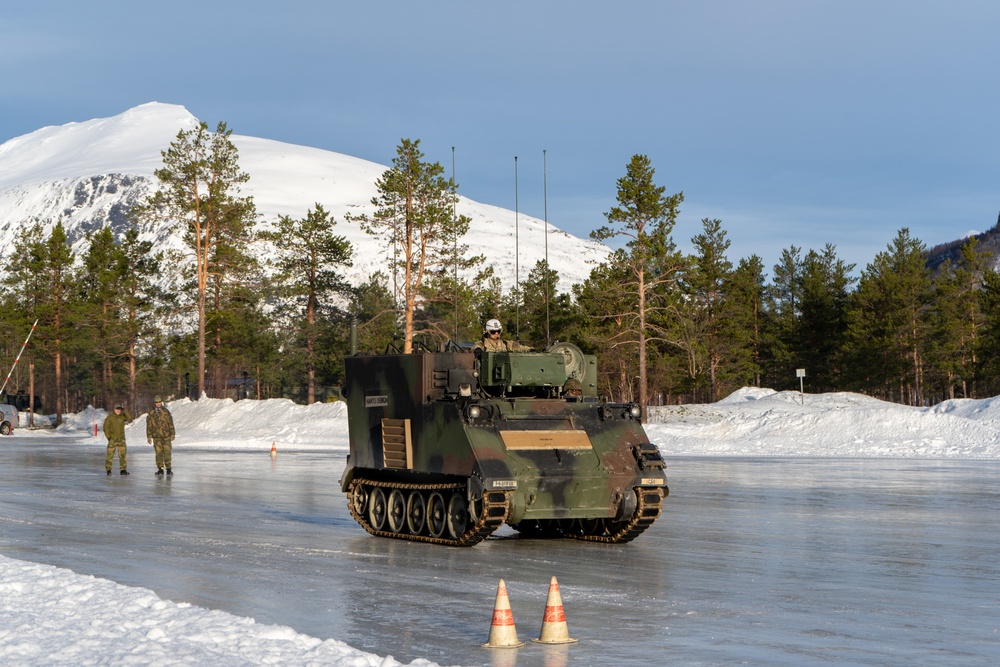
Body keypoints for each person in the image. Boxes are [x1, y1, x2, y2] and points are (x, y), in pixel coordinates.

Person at [146, 396, 176, 476]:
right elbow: (149, 426)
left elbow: (170, 424)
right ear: (154, 403)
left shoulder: (166, 412)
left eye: (159, 402)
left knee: (167, 452)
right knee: (158, 453)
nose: (158, 404)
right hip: (156, 436)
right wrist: (149, 436)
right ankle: (160, 469)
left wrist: (172, 434)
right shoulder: (151, 413)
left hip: (166, 436)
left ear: (161, 402)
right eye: (156, 402)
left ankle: (168, 469)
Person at [104, 404, 133, 475]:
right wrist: (109, 437)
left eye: (119, 409)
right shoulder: (110, 417)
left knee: (122, 455)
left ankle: (123, 470)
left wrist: (124, 410)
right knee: (110, 455)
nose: (118, 411)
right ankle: (108, 470)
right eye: (116, 409)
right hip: (113, 439)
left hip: (121, 439)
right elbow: (105, 428)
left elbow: (129, 418)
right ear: (114, 409)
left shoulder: (122, 417)